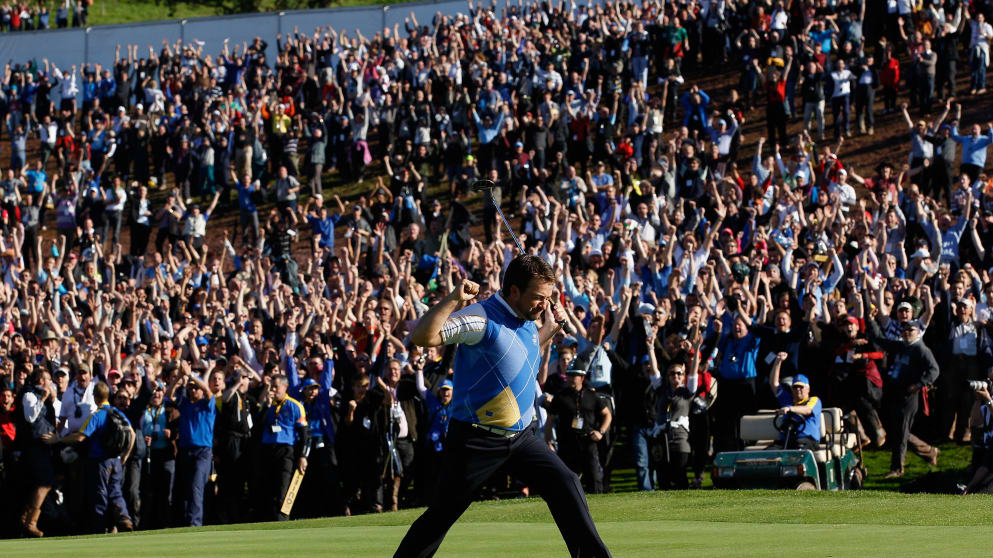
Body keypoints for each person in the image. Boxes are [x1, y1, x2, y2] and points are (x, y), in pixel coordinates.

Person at [395, 255, 611, 558]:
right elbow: (423, 337)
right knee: (441, 515)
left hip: (522, 438)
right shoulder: (481, 318)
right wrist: (454, 298)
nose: (543, 304)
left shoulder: (527, 319)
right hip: (475, 440)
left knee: (566, 482)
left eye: (548, 298)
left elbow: (522, 352)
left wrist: (551, 326)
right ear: (512, 292)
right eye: (538, 297)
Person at [46, 381, 135, 534]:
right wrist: (124, 456)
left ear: (95, 397)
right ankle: (124, 519)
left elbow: (81, 437)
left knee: (99, 495)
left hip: (100, 461)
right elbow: (132, 434)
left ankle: (99, 528)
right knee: (116, 492)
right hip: (116, 460)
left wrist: (58, 439)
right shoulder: (118, 413)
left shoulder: (97, 415)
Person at [544, 366, 612, 494]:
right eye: (568, 375)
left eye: (574, 376)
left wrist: (601, 432)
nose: (570, 378)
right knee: (566, 481)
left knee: (594, 479)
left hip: (588, 441)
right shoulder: (560, 396)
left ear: (582, 378)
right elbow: (550, 419)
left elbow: (607, 414)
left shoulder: (592, 395)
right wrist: (548, 441)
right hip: (567, 443)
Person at [168, 361, 217, 527]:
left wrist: (190, 375)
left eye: (195, 387)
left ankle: (194, 524)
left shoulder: (207, 404)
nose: (192, 390)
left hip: (202, 451)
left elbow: (208, 391)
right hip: (185, 450)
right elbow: (169, 394)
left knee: (196, 487)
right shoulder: (185, 403)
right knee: (185, 489)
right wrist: (181, 377)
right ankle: (185, 522)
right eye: (190, 387)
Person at [256, 374, 309, 521]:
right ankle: (267, 522)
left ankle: (282, 521)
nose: (273, 390)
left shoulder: (295, 406)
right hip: (267, 449)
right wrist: (266, 405)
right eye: (271, 387)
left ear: (285, 387)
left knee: (282, 489)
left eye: (276, 387)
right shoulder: (267, 405)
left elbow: (304, 434)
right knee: (267, 488)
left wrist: (303, 456)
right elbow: (257, 426)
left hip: (285, 450)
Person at [768, 353, 822, 451]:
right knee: (769, 453)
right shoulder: (787, 400)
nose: (798, 389)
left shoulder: (814, 400)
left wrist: (790, 409)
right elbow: (774, 383)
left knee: (798, 450)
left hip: (807, 440)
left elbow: (808, 410)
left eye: (801, 387)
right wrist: (778, 361)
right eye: (795, 387)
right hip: (787, 439)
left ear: (808, 389)